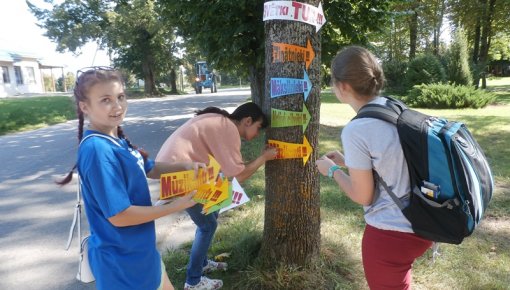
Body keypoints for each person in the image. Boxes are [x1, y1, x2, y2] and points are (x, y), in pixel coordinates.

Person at [58, 67, 203, 290]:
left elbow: (148, 168)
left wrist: (184, 166)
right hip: (122, 267)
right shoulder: (98, 150)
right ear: (84, 106)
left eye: (121, 97)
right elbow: (120, 216)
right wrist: (176, 206)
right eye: (106, 100)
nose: (117, 106)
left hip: (142, 254)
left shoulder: (114, 138)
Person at [315, 46, 432, 290]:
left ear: (343, 86)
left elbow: (362, 195)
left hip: (392, 232)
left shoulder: (358, 129)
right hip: (424, 219)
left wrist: (333, 171)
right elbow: (393, 160)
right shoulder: (392, 105)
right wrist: (349, 162)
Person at [156, 102, 278, 290]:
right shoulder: (227, 128)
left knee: (213, 212)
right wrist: (263, 158)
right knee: (208, 226)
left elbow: (230, 170)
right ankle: (193, 281)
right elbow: (239, 175)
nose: (257, 135)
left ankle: (202, 263)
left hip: (178, 170)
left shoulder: (221, 122)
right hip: (179, 175)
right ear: (247, 121)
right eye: (258, 128)